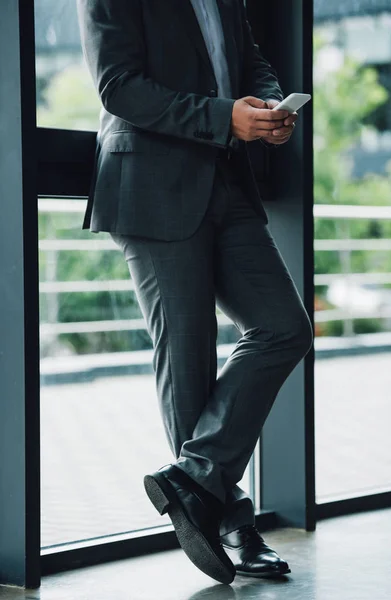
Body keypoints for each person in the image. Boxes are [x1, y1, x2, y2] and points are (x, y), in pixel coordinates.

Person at [77, 0, 313, 585]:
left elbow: (251, 60)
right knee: (187, 360)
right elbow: (119, 87)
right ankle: (233, 522)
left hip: (228, 185)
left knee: (284, 327)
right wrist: (222, 117)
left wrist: (263, 107)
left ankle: (192, 478)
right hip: (150, 183)